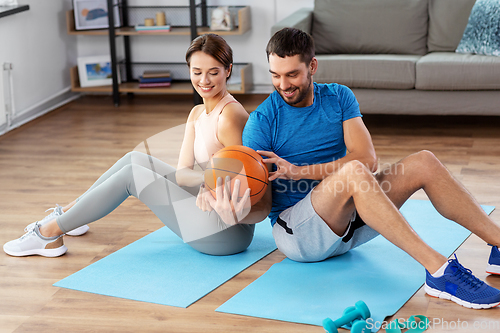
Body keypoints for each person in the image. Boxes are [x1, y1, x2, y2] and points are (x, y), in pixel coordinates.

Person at [204, 27, 500, 309]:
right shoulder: (262, 121)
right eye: (276, 76)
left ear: (313, 66)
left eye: (292, 74)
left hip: (350, 222)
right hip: (299, 235)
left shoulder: (339, 96)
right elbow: (262, 204)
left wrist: (298, 171)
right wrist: (239, 213)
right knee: (354, 173)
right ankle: (439, 271)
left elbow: (367, 159)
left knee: (424, 161)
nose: (283, 85)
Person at [3, 33, 254, 257]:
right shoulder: (197, 113)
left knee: (133, 176)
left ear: (228, 70)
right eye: (197, 72)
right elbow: (182, 174)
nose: (204, 80)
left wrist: (207, 183)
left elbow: (243, 181)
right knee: (134, 159)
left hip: (228, 230)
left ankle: (48, 234)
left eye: (213, 72)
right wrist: (204, 181)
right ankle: (70, 214)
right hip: (205, 208)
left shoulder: (230, 117)